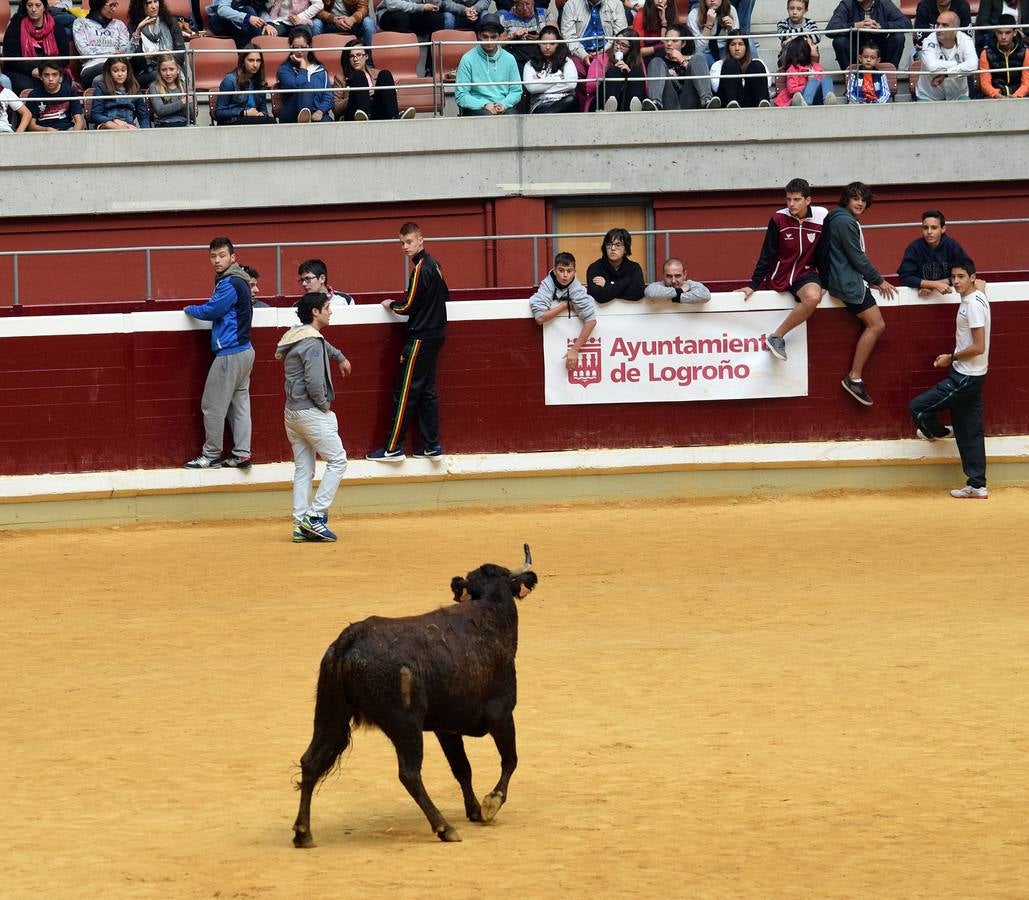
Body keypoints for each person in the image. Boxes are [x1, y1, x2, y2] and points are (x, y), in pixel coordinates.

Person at [908, 258, 991, 499]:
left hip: (965, 375)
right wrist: (980, 288)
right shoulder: (978, 296)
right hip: (974, 374)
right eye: (953, 277)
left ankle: (938, 432)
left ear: (972, 277)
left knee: (918, 408)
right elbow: (982, 289)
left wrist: (950, 357)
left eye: (961, 277)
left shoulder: (972, 305)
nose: (956, 282)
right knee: (970, 431)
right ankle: (977, 485)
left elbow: (978, 346)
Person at [366, 222, 449, 462]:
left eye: (409, 242)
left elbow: (407, 306)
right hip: (435, 335)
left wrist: (390, 304)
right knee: (427, 391)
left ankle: (393, 448)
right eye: (402, 243)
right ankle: (431, 446)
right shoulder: (435, 266)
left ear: (421, 240)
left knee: (405, 392)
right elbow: (445, 294)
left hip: (420, 337)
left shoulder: (421, 268)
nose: (405, 247)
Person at [275, 292, 352, 541]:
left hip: (292, 412)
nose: (331, 311)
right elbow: (314, 381)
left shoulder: (299, 334)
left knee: (303, 469)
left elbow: (321, 343)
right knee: (338, 460)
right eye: (327, 307)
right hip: (310, 411)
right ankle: (315, 517)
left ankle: (300, 524)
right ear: (316, 312)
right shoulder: (312, 343)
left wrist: (338, 356)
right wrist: (324, 406)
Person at [819, 181, 898, 406]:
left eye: (863, 200)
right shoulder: (845, 222)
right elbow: (857, 257)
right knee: (877, 325)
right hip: (847, 284)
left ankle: (855, 376)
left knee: (875, 325)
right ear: (847, 199)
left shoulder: (839, 219)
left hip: (845, 280)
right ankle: (854, 377)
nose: (860, 203)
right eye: (856, 198)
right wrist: (878, 280)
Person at [183, 237, 256, 470]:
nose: (217, 260)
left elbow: (212, 310)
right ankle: (242, 453)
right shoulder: (240, 281)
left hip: (230, 353)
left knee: (212, 404)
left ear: (233, 258)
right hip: (245, 351)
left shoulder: (229, 283)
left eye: (222, 255)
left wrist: (188, 309)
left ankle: (211, 455)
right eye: (213, 256)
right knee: (240, 404)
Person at [739, 178, 827, 362]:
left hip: (805, 274)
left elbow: (824, 252)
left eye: (796, 199)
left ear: (808, 200)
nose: (791, 204)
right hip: (779, 276)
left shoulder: (821, 217)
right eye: (788, 199)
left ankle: (777, 336)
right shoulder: (778, 218)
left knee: (813, 297)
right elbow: (766, 253)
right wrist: (753, 284)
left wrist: (825, 281)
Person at [530, 251, 598, 371]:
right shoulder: (547, 283)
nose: (565, 275)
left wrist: (575, 349)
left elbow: (591, 321)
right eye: (561, 270)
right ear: (555, 271)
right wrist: (565, 306)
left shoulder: (576, 288)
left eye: (569, 271)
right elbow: (540, 318)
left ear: (574, 272)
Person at [455, 13, 523, 116]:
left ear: (500, 37)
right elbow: (461, 95)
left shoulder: (509, 59)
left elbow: (516, 91)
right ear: (478, 35)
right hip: (478, 108)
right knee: (486, 116)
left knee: (512, 116)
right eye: (485, 37)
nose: (489, 41)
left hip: (503, 105)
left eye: (493, 37)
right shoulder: (467, 59)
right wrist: (484, 104)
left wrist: (504, 104)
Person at [1, 0, 72, 96]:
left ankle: (59, 110)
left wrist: (48, 70)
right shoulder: (15, 26)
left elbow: (64, 57)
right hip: (23, 71)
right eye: (30, 5)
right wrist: (32, 71)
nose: (33, 9)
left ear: (44, 7)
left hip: (52, 68)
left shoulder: (56, 26)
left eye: (38, 5)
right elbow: (12, 59)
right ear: (25, 7)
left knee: (64, 82)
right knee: (26, 86)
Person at [897, 210, 971, 296]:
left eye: (934, 227)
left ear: (943, 229)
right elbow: (905, 278)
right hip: (921, 300)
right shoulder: (914, 248)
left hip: (949, 299)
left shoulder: (952, 246)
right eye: (925, 228)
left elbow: (967, 272)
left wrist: (932, 286)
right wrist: (934, 285)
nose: (929, 232)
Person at [337, 40, 417, 120]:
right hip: (354, 113)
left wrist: (376, 91)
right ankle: (363, 115)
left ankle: (394, 116)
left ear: (366, 56)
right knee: (358, 74)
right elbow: (336, 108)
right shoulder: (340, 78)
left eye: (359, 55)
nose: (355, 59)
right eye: (351, 56)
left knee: (385, 74)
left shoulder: (377, 74)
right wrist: (356, 93)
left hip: (376, 111)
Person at [646, 24, 720, 109]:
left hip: (690, 100)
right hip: (668, 102)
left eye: (674, 41)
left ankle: (707, 100)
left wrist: (682, 60)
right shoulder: (659, 63)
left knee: (698, 58)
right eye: (667, 40)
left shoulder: (694, 60)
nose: (669, 43)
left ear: (683, 43)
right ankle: (655, 103)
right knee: (655, 61)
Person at [561, 0, 628, 88]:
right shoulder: (571, 4)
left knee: (616, 67)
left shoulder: (616, 4)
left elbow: (620, 35)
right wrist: (583, 55)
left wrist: (603, 51)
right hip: (579, 53)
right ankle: (586, 101)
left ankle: (610, 100)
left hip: (608, 51)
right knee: (573, 70)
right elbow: (568, 37)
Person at [826, 0, 908, 70]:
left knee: (898, 37)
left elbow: (906, 23)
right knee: (839, 41)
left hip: (879, 52)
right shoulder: (847, 3)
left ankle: (890, 75)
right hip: (856, 53)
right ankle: (850, 78)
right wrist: (855, 26)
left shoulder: (884, 3)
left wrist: (881, 27)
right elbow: (830, 29)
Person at [916, 11, 978, 100]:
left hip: (958, 96)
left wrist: (946, 75)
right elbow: (932, 66)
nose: (939, 29)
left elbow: (972, 65)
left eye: (945, 25)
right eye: (937, 24)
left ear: (956, 29)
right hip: (928, 97)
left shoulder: (966, 40)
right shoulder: (928, 40)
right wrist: (958, 64)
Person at [276, 25, 333, 123]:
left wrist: (320, 111)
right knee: (307, 85)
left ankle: (308, 117)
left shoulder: (320, 70)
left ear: (309, 46)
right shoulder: (284, 69)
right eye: (296, 47)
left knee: (327, 121)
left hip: (316, 113)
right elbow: (295, 86)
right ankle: (305, 116)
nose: (299, 51)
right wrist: (302, 65)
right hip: (291, 113)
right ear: (290, 47)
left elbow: (328, 97)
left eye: (302, 47)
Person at [587, 27, 649, 110]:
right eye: (617, 42)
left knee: (636, 71)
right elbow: (590, 87)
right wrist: (610, 75)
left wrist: (628, 74)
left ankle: (634, 107)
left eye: (623, 45)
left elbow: (645, 87)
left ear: (631, 49)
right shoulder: (601, 58)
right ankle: (610, 105)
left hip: (625, 100)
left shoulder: (637, 61)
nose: (618, 47)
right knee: (614, 71)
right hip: (602, 101)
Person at [128, 0, 186, 88]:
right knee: (162, 75)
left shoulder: (170, 21)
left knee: (170, 73)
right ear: (140, 6)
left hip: (170, 68)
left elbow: (181, 53)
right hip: (145, 72)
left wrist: (167, 56)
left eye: (156, 1)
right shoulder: (134, 25)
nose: (154, 6)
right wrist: (151, 56)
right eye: (149, 3)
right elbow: (134, 59)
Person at [73, 0, 132, 86]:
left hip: (118, 69)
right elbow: (85, 51)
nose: (114, 9)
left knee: (99, 80)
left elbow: (125, 52)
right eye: (111, 5)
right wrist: (113, 51)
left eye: (116, 5)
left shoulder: (119, 25)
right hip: (92, 67)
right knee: (108, 67)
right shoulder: (81, 23)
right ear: (99, 4)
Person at [522, 24, 579, 113]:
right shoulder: (530, 64)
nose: (548, 47)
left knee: (571, 100)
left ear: (558, 44)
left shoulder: (567, 61)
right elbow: (532, 88)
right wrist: (558, 78)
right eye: (544, 43)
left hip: (565, 102)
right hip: (540, 104)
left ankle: (546, 115)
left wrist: (541, 85)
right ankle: (547, 114)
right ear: (538, 43)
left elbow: (571, 84)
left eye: (552, 43)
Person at [214, 45, 275, 124]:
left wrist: (262, 114)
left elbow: (263, 109)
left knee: (271, 121)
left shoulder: (260, 82)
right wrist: (244, 113)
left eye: (258, 60)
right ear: (243, 62)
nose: (255, 65)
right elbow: (219, 112)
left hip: (254, 119)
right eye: (251, 60)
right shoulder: (230, 80)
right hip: (234, 120)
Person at [774, 33, 838, 105]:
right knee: (813, 81)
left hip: (817, 99)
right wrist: (809, 84)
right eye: (812, 44)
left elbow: (821, 83)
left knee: (826, 78)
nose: (816, 46)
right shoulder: (793, 69)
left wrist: (816, 80)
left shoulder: (817, 66)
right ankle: (805, 103)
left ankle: (828, 100)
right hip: (801, 96)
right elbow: (791, 90)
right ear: (804, 50)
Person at [586, 227, 646, 303]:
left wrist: (607, 285)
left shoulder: (634, 268)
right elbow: (599, 296)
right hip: (601, 313)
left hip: (629, 312)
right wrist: (627, 281)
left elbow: (638, 292)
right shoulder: (595, 267)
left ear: (626, 249)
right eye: (609, 244)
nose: (613, 248)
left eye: (618, 245)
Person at [713, 30, 771, 107]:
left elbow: (767, 83)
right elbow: (716, 87)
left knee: (756, 65)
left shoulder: (757, 63)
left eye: (740, 44)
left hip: (750, 101)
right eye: (733, 44)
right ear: (728, 48)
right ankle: (732, 103)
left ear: (746, 47)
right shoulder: (718, 65)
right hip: (727, 101)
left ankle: (763, 105)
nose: (737, 48)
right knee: (730, 64)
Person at [91, 56, 150, 128]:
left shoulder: (135, 89)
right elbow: (95, 115)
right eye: (115, 71)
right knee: (109, 125)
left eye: (123, 70)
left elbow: (143, 116)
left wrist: (145, 132)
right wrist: (113, 120)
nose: (120, 74)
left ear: (128, 71)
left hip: (128, 125)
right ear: (109, 72)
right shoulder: (102, 87)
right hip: (107, 124)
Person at [26, 59, 86, 131]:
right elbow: (30, 125)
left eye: (54, 74)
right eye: (46, 75)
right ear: (40, 77)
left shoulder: (70, 92)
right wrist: (46, 130)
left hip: (67, 130)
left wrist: (72, 137)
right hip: (43, 134)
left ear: (60, 76)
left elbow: (79, 121)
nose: (51, 79)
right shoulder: (34, 95)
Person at [978, 16, 1029, 98]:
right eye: (1000, 32)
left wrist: (1017, 95)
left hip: (1020, 95)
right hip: (993, 97)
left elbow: (1027, 82)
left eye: (1008, 32)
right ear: (995, 32)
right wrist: (996, 94)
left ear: (1015, 33)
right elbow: (985, 83)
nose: (1003, 37)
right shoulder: (986, 53)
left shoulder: (1025, 52)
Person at [500, 0, 551, 69]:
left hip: (541, 55)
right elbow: (498, 42)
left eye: (527, 4)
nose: (525, 8)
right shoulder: (505, 18)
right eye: (520, 5)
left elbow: (556, 36)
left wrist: (541, 37)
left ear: (533, 3)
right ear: (515, 4)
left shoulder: (544, 13)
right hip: (516, 57)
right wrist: (512, 36)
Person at [205, 0, 279, 47]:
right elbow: (222, 10)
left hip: (242, 21)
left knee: (249, 11)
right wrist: (248, 18)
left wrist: (268, 24)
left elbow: (261, 10)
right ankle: (259, 52)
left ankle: (257, 53)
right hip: (218, 20)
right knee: (248, 13)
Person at [688, 0, 739, 65]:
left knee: (749, 43)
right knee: (696, 59)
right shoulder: (694, 14)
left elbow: (738, 40)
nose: (712, 0)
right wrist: (708, 24)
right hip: (706, 52)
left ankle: (753, 73)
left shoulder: (731, 9)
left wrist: (732, 29)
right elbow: (698, 49)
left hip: (725, 49)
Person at [148, 53, 193, 126]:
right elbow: (160, 110)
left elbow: (192, 114)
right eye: (164, 70)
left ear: (178, 70)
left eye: (171, 69)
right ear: (159, 71)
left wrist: (168, 110)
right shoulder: (154, 86)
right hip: (163, 125)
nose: (168, 73)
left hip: (183, 124)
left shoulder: (184, 86)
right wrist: (182, 103)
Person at [375, 0, 445, 47]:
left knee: (437, 17)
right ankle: (401, 60)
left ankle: (432, 65)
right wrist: (421, 7)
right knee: (401, 18)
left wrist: (432, 4)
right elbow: (392, 4)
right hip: (390, 13)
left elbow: (435, 4)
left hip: (415, 13)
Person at [644, 257, 712, 303]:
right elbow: (650, 293)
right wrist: (680, 290)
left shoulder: (690, 285)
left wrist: (675, 298)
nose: (673, 281)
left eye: (677, 276)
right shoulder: (659, 285)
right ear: (663, 275)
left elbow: (705, 295)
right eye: (669, 276)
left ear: (684, 274)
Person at [777, 0, 822, 67]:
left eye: (799, 9)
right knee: (791, 45)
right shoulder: (783, 23)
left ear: (805, 10)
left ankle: (813, 72)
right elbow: (783, 35)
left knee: (813, 49)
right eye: (791, 8)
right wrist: (805, 33)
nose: (794, 12)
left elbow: (817, 37)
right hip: (788, 56)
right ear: (787, 9)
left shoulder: (810, 23)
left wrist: (791, 38)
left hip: (806, 56)